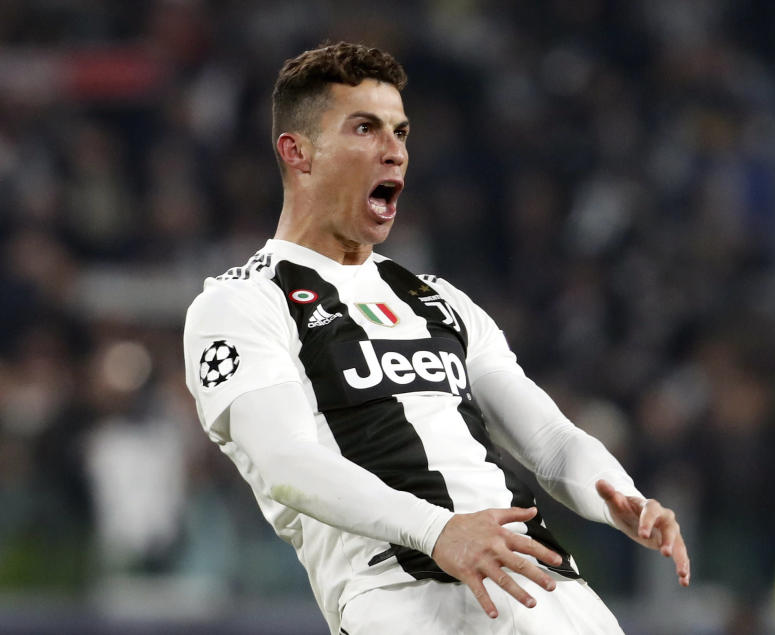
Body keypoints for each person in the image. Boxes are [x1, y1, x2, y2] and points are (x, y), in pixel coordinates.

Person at [183, 41, 690, 634]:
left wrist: (619, 497)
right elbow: (286, 463)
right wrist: (438, 530)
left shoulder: (439, 300)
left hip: (543, 583)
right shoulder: (241, 304)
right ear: (299, 153)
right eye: (365, 129)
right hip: (401, 592)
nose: (394, 151)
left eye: (400, 132)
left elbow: (549, 441)